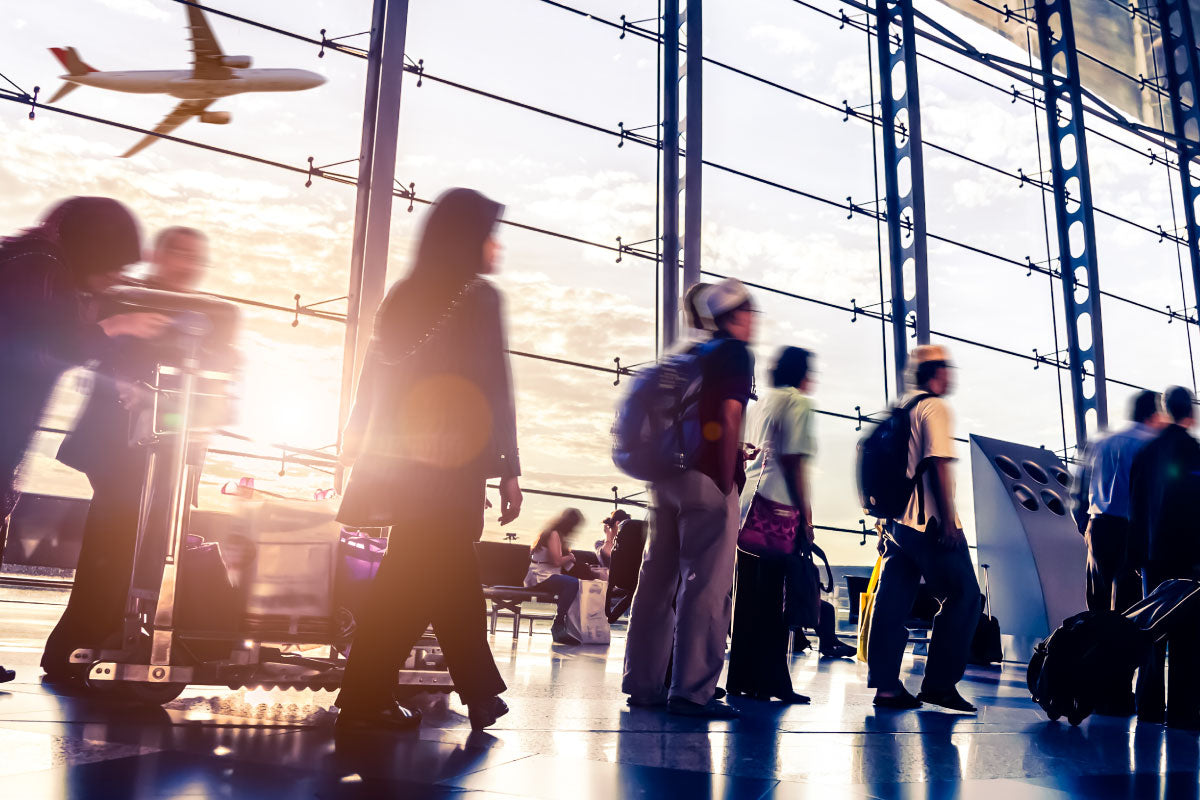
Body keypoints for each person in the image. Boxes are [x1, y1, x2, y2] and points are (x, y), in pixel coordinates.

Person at [334, 188, 522, 732]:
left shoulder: (402, 296)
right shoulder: (479, 297)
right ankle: (378, 695)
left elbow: (374, 378)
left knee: (423, 575)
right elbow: (494, 387)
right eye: (490, 235)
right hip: (451, 465)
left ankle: (461, 692)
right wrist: (508, 467)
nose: (496, 247)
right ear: (467, 238)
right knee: (435, 574)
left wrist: (355, 440)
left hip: (401, 465)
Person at [0, 197, 170, 686]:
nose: (112, 279)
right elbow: (49, 344)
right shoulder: (40, 266)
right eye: (112, 265)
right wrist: (117, 326)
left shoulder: (31, 261)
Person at [41, 227, 216, 680]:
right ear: (158, 254)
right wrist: (125, 384)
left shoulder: (201, 315)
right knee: (116, 542)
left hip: (170, 450)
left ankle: (111, 641)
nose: (188, 263)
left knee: (145, 547)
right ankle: (79, 645)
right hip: (120, 448)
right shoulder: (126, 301)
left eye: (197, 256)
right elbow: (92, 355)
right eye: (179, 252)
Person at [622, 277, 756, 719]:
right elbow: (729, 414)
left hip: (665, 479)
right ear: (732, 317)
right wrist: (724, 476)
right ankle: (691, 691)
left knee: (657, 582)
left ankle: (643, 684)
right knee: (707, 587)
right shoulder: (734, 352)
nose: (753, 322)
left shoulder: (685, 357)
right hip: (706, 477)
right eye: (749, 313)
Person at [867, 345, 980, 713]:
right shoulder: (934, 407)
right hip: (926, 522)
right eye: (947, 369)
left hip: (895, 524)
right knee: (965, 596)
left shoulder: (902, 408)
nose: (952, 376)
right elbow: (937, 464)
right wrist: (948, 519)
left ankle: (886, 686)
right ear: (936, 372)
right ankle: (940, 685)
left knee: (893, 600)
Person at [728, 346, 818, 703]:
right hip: (777, 508)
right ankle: (772, 681)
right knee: (775, 598)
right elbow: (795, 461)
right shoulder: (798, 403)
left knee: (748, 595)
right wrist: (806, 515)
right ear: (801, 373)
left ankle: (742, 677)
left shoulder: (761, 403)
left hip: (748, 505)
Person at [1130, 386, 1200, 728]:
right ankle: (1183, 713)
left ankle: (1148, 707)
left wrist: (1137, 554)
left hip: (1152, 557)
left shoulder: (1146, 452)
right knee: (1187, 635)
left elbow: (1136, 505)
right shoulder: (1192, 450)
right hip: (1186, 558)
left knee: (1152, 631)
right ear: (1189, 411)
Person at [1077, 390, 1161, 615]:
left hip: (1098, 527)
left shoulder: (1102, 441)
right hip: (1132, 530)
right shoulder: (1151, 444)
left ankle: (1096, 647)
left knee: (1098, 604)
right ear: (1154, 414)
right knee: (1131, 605)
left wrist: (1084, 524)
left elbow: (1080, 488)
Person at [525, 508, 586, 645]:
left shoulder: (557, 535)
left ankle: (565, 625)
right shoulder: (554, 534)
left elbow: (562, 564)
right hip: (541, 576)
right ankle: (558, 624)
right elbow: (557, 561)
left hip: (548, 574)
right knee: (572, 583)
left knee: (575, 583)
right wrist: (570, 556)